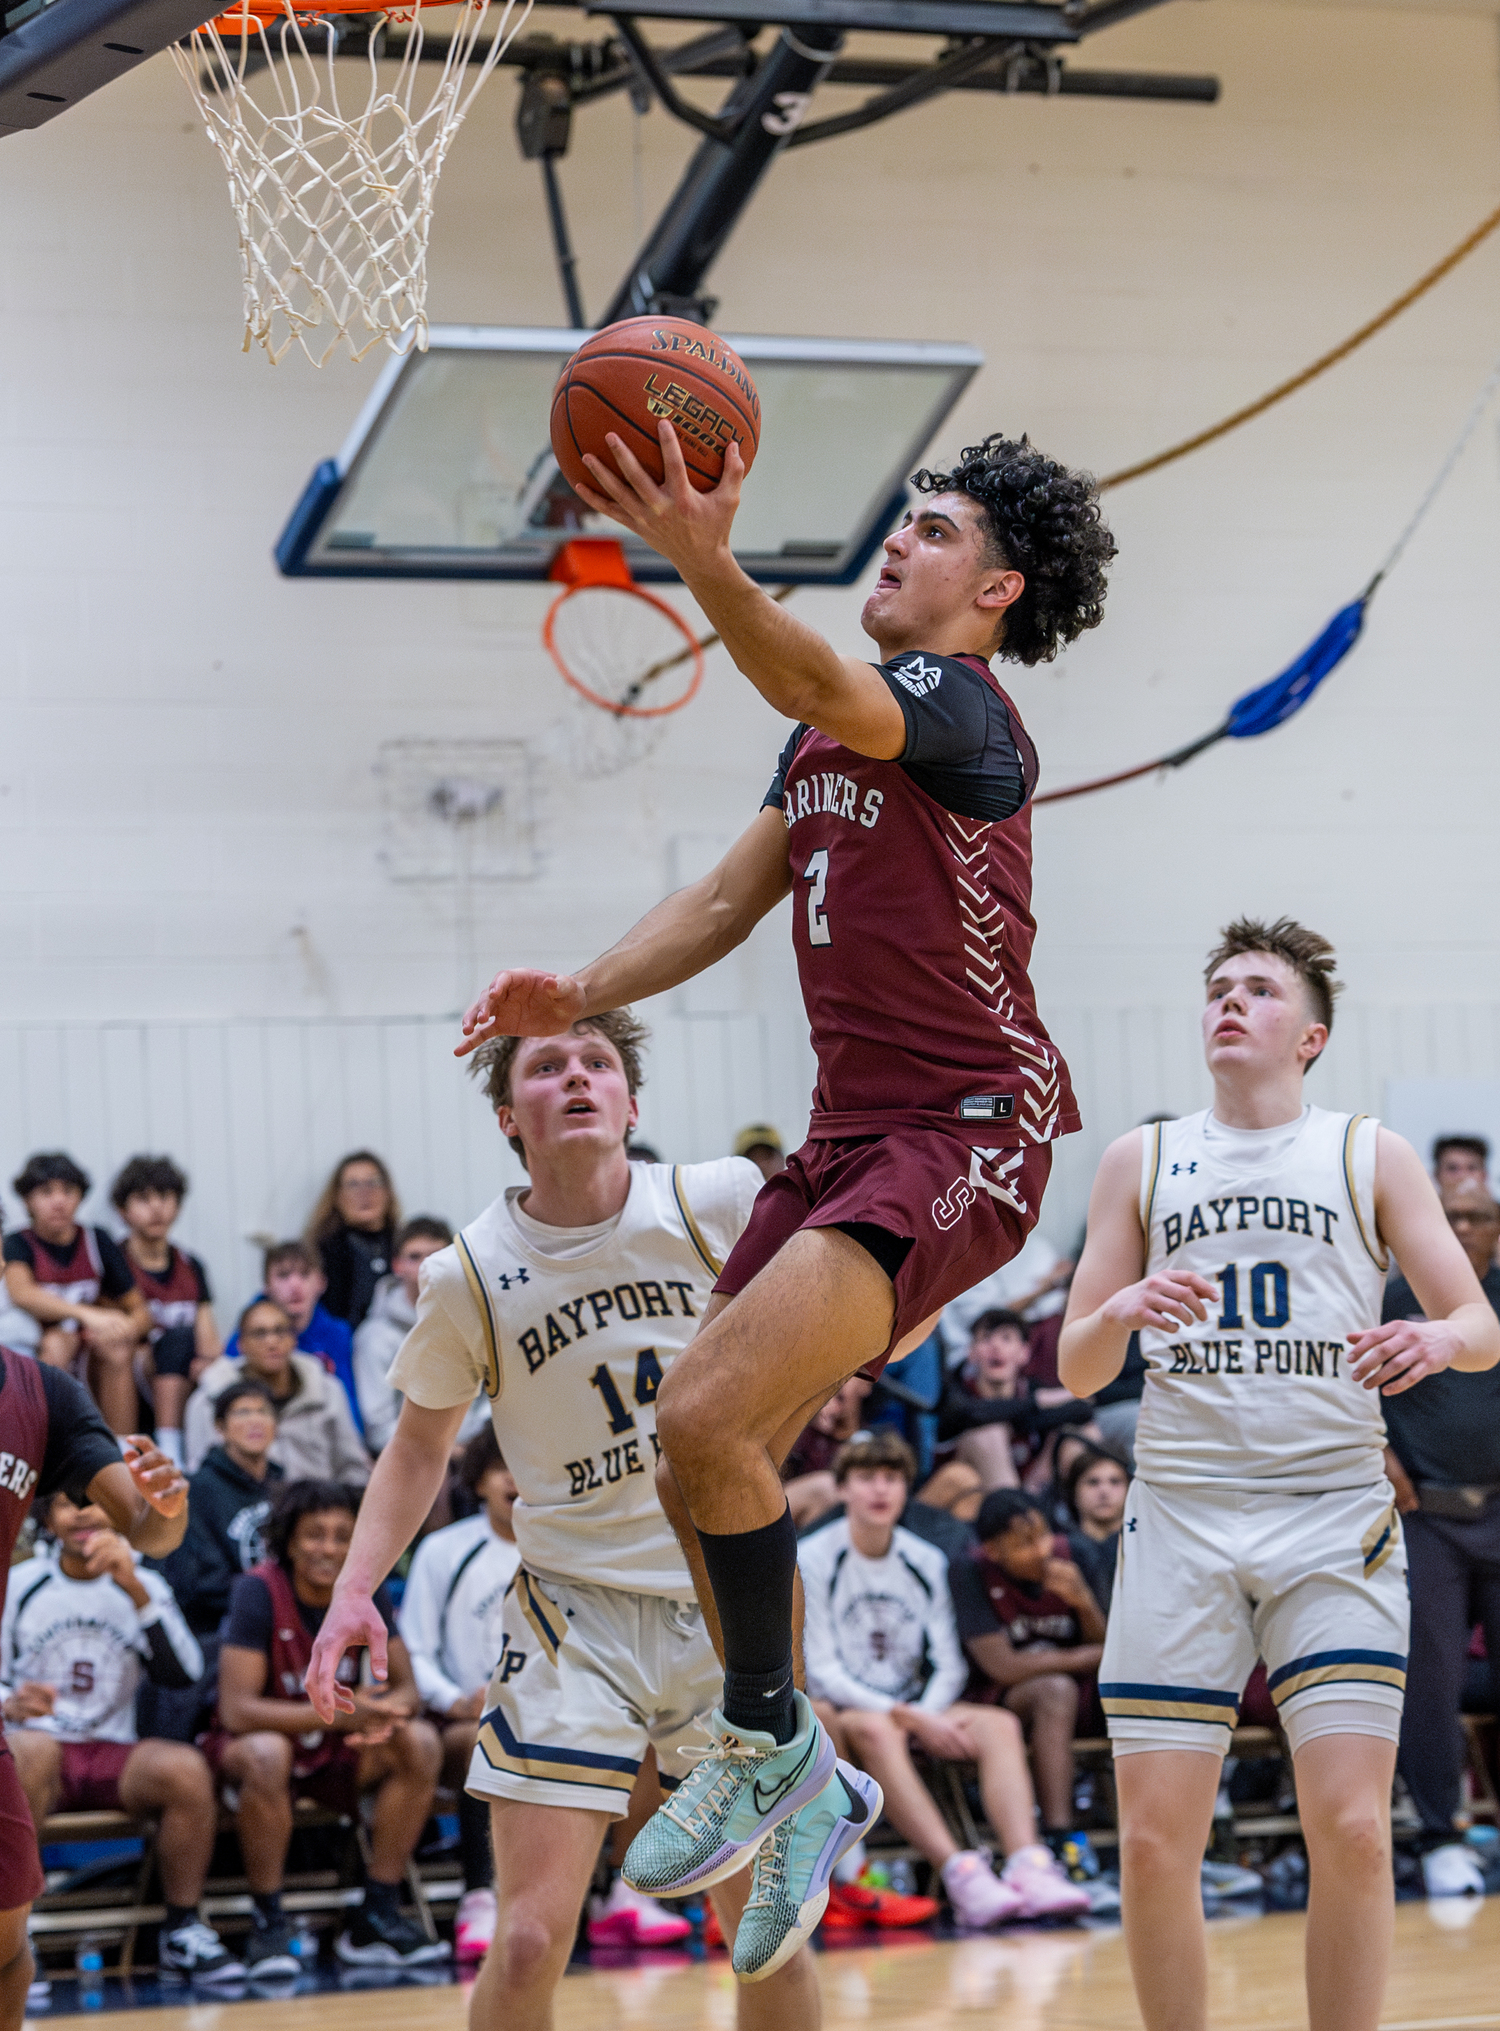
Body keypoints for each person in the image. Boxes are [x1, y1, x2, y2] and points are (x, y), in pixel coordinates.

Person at [456, 425, 1115, 1980]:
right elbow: (722, 897)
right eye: (902, 519)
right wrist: (579, 991)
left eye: (934, 529)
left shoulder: (963, 709)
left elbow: (816, 679)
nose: (900, 540)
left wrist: (698, 550)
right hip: (849, 1134)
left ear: (996, 586)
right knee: (697, 1450)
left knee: (696, 1424)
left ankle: (769, 1744)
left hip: (966, 1128)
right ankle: (794, 1762)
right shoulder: (826, 740)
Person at [305, 1011, 823, 2031]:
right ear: (510, 1115)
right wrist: (354, 1589)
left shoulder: (719, 1198)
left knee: (763, 1931)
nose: (578, 1076)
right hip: (570, 1618)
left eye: (599, 1063)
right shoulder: (466, 1273)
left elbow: (852, 1279)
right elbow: (419, 1448)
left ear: (635, 1104)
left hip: (727, 1607)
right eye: (548, 1067)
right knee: (534, 1935)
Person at [1056, 915, 1500, 2031]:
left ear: (1310, 1035)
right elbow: (1075, 1365)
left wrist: (1439, 1341)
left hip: (1331, 1514)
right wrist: (1115, 1308)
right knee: (1158, 1843)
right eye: (1216, 987)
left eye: (1256, 989)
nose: (1229, 1003)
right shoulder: (1141, 1159)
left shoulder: (1369, 1152)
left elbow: (1479, 1321)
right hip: (1181, 1518)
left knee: (1351, 1828)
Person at [801, 1433, 1087, 1929]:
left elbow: (950, 1662)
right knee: (876, 1730)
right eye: (866, 1478)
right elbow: (822, 1666)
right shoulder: (812, 1558)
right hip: (851, 1706)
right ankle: (960, 1871)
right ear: (843, 1489)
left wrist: (926, 1714)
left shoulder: (925, 1558)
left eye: (891, 1479)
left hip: (921, 1702)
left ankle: (1028, 1863)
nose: (880, 1490)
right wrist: (905, 1715)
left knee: (997, 1725)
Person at [0, 1348, 187, 2031]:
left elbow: (150, 1525)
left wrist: (165, 1508)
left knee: (5, 1951)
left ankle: (186, 1924)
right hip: (30, 1733)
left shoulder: (43, 1392)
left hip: (94, 1744)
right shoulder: (32, 1587)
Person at [2, 1489, 240, 1983]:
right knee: (33, 1751)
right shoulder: (20, 1582)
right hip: (37, 1748)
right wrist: (8, 1700)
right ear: (48, 1519)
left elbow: (185, 1673)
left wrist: (135, 1590)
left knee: (185, 1770)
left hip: (112, 1749)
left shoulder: (143, 1582)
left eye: (96, 1502)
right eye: (69, 1504)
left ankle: (181, 1929)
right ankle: (15, 1933)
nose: (84, 1514)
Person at [208, 1478, 445, 1973]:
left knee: (419, 1743)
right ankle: (269, 1921)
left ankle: (377, 1911)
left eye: (343, 1535)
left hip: (339, 1748)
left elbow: (408, 1692)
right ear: (289, 1540)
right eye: (316, 1534)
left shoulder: (366, 1593)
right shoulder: (258, 1590)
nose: (329, 1547)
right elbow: (237, 1710)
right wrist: (340, 1714)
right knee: (268, 1753)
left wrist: (381, 1716)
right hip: (261, 1751)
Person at [1379, 1178, 1500, 1895]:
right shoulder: (1394, 1300)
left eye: (1476, 1216)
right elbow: (1351, 1383)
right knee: (1432, 1680)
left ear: (1496, 1229)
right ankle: (1437, 1833)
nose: (1461, 1225)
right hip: (1428, 1515)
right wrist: (1380, 1452)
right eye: (1449, 1214)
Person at [397, 1426, 520, 1960]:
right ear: (478, 1482)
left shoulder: (571, 1550)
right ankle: (481, 1897)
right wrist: (452, 1699)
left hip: (559, 1716)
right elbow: (415, 1649)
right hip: (461, 1725)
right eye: (502, 1466)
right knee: (481, 1738)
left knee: (641, 1736)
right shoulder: (445, 1551)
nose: (517, 1478)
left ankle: (621, 1893)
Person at [949, 1489, 1105, 1869]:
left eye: (1043, 1535)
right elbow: (1003, 1667)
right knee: (1056, 1690)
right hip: (1001, 1701)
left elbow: (1111, 1647)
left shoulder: (1078, 1554)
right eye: (1023, 1544)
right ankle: (1058, 1837)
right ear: (993, 1551)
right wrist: (1083, 1658)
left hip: (1086, 1694)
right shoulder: (968, 1572)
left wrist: (1083, 1601)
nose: (1041, 1550)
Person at [3, 1153, 150, 1434]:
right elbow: (22, 1293)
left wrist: (123, 1327)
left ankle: (123, 1450)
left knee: (117, 1347)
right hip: (35, 1348)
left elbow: (140, 1310)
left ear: (81, 1197)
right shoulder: (17, 1242)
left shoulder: (97, 1240)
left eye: (68, 1191)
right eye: (46, 1192)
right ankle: (48, 1447)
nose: (59, 1201)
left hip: (90, 1347)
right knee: (57, 1346)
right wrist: (87, 1314)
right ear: (27, 1200)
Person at [921, 1309, 1096, 1520]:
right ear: (972, 1352)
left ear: (1025, 1353)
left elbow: (1084, 1408)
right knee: (988, 1435)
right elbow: (972, 1415)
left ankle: (1083, 1525)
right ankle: (1019, 1520)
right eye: (986, 1339)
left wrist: (1031, 1416)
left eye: (1006, 1338)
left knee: (1081, 1433)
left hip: (1030, 1488)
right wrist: (1038, 1403)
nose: (995, 1346)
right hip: (960, 1506)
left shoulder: (1030, 1389)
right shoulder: (954, 1391)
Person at [111, 1155, 221, 1471]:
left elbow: (208, 1339)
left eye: (165, 1197)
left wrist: (207, 1360)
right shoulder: (115, 1260)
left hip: (183, 1373)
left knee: (202, 1356)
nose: (157, 1208)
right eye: (144, 1199)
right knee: (172, 1342)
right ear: (123, 1210)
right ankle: (168, 1446)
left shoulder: (191, 1263)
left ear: (179, 1205)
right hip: (133, 1372)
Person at [184, 1299, 370, 1483]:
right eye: (259, 1333)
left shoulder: (327, 1391)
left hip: (320, 1505)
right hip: (243, 1508)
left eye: (280, 1331)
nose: (272, 1342)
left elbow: (353, 1469)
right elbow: (201, 1480)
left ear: (293, 1339)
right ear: (240, 1344)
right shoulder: (208, 1402)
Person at [224, 1242, 361, 1435]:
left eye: (304, 1275)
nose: (295, 1286)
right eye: (283, 1275)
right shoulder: (248, 1332)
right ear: (266, 1287)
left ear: (321, 1283)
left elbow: (348, 1403)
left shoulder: (338, 1334)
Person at [354, 1218, 455, 1453]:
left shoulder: (473, 1321)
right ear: (397, 1266)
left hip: (477, 1454)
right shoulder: (375, 1337)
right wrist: (444, 1448)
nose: (427, 1265)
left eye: (437, 1255)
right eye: (415, 1257)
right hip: (410, 1457)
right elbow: (378, 1428)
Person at [307, 1153, 402, 1333]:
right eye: (353, 1184)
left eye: (373, 1182)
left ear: (388, 1192)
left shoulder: (408, 1246)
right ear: (337, 1196)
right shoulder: (321, 1251)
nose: (364, 1192)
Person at [780, 1373, 873, 1529]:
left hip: (829, 1528)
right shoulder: (797, 1428)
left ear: (866, 1385)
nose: (838, 1379)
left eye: (850, 1373)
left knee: (829, 1488)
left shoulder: (870, 1440)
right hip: (777, 1509)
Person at [1063, 1444, 1129, 1614]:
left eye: (1115, 1482)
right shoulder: (1061, 1549)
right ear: (1073, 1492)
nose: (1104, 1491)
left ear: (1130, 1490)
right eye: (1093, 1482)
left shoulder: (1146, 1546)